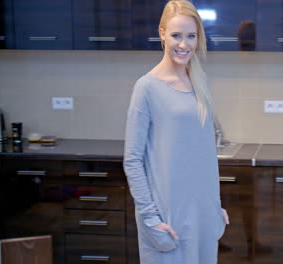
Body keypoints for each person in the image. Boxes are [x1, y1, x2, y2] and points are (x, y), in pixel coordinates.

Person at [123, 1, 229, 263]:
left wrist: (214, 205)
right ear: (162, 34)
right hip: (167, 217)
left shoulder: (200, 81)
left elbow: (203, 154)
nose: (184, 44)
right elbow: (133, 160)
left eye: (191, 36)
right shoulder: (146, 87)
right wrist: (150, 219)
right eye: (176, 35)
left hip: (202, 215)